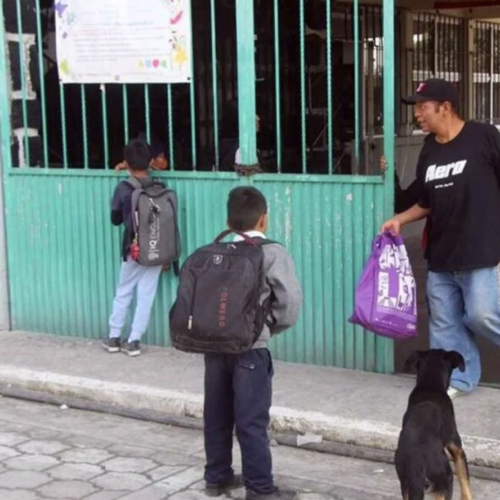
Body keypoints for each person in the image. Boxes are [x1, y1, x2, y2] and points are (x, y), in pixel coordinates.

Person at [380, 78, 500, 398]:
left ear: (445, 108)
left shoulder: (484, 137)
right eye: (416, 108)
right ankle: (461, 379)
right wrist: (399, 220)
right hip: (441, 253)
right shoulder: (429, 149)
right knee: (445, 323)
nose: (417, 114)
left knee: (482, 314)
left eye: (422, 107)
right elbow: (425, 201)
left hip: (481, 251)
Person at [203, 187, 302, 499]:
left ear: (229, 221)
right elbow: (290, 304)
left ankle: (217, 477)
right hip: (251, 350)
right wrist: (268, 329)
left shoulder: (214, 250)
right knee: (251, 420)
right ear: (264, 220)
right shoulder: (272, 253)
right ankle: (260, 489)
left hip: (215, 348)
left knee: (216, 414)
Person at [103, 138, 169, 357]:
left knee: (123, 291)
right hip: (156, 250)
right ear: (151, 162)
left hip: (133, 250)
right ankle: (133, 341)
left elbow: (115, 220)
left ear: (126, 164)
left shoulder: (123, 189)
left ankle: (114, 337)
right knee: (146, 294)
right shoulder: (160, 188)